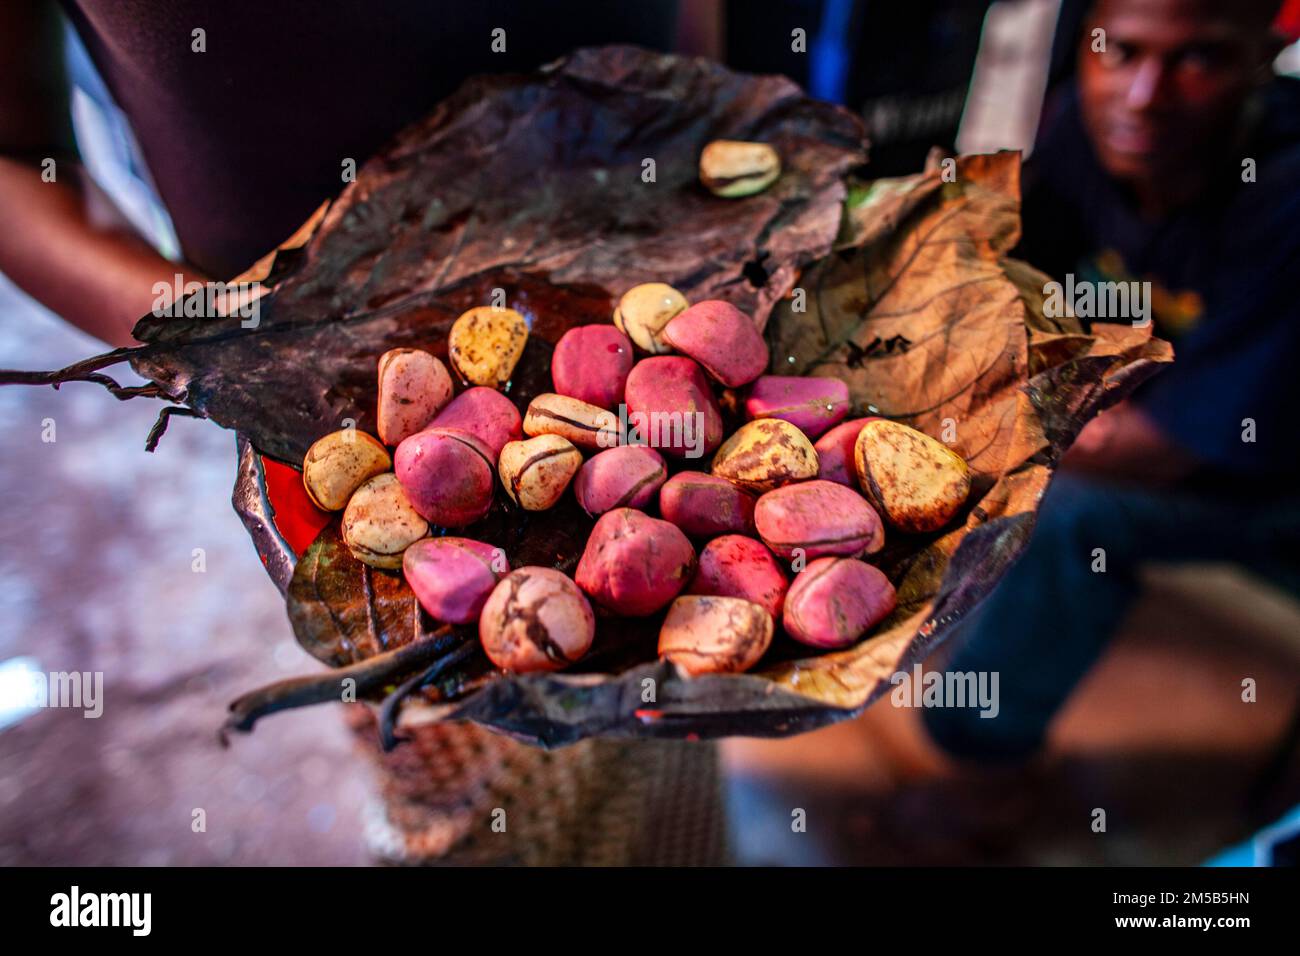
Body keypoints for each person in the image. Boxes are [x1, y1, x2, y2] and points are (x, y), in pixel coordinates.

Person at [1, 0, 733, 865]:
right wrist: (225, 339)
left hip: (674, 341)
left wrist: (703, 142)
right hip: (334, 442)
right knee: (479, 804)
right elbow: (14, 161)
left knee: (666, 753)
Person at [923, 0, 1300, 760]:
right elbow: (1016, 278)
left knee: (1074, 514)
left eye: (1197, 59)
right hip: (1170, 400)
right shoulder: (1086, 125)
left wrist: (964, 418)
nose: (1142, 95)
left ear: (1264, 55)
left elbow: (1166, 451)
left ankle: (978, 760)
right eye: (1119, 52)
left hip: (1270, 474)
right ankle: (938, 638)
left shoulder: (1285, 195)